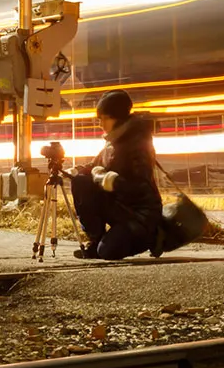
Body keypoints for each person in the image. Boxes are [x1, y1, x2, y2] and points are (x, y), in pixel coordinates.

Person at [69, 89, 163, 260]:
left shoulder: (137, 143)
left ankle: (152, 236)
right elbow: (95, 166)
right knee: (81, 182)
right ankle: (95, 239)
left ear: (119, 118)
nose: (101, 124)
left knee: (108, 252)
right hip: (120, 207)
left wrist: (110, 180)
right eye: (99, 119)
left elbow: (140, 187)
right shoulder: (113, 141)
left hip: (140, 213)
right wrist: (76, 172)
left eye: (106, 118)